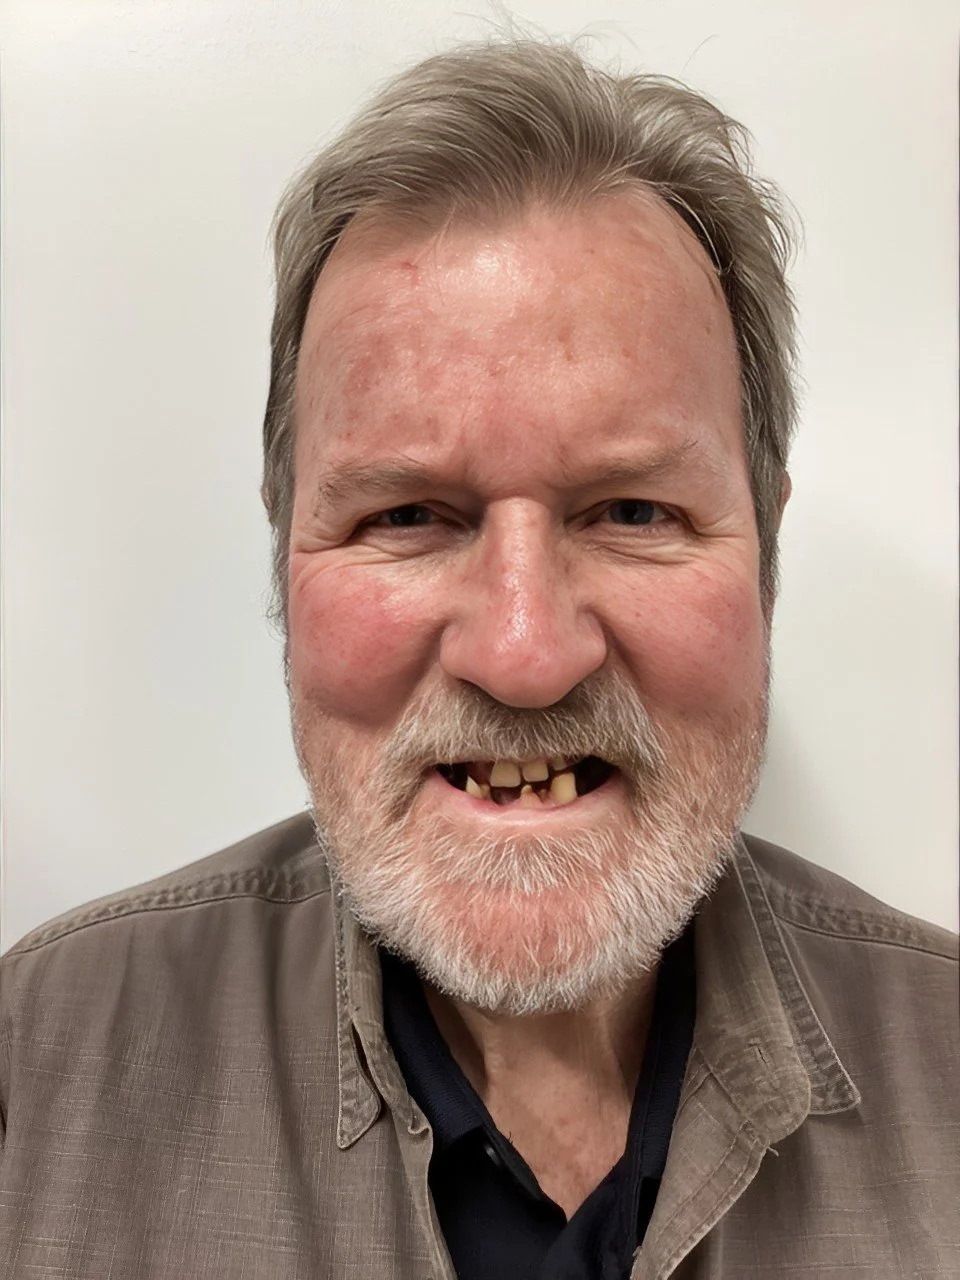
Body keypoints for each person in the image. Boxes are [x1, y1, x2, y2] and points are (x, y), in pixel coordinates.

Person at [0, 36, 956, 1280]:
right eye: (406, 515)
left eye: (634, 511)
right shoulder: (38, 1073)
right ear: (285, 555)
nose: (523, 653)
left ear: (766, 555)